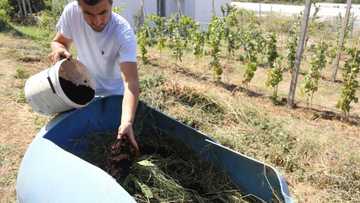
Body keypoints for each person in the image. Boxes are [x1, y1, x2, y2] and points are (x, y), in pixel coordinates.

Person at [48, 0, 140, 155]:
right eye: (88, 14)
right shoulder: (72, 13)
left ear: (111, 4)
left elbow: (131, 82)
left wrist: (126, 122)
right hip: (83, 88)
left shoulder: (123, 33)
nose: (97, 21)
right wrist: (59, 50)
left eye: (103, 12)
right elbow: (58, 42)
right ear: (79, 7)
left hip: (115, 98)